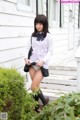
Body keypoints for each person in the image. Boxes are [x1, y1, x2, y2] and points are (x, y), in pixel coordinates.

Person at [24, 14, 54, 112]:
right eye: (37, 23)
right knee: (35, 87)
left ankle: (45, 102)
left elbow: (50, 51)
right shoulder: (32, 35)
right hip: (32, 63)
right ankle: (37, 108)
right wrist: (25, 58)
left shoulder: (49, 37)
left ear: (44, 24)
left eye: (40, 24)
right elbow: (27, 47)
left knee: (33, 86)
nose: (38, 26)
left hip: (41, 65)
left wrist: (43, 60)